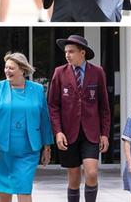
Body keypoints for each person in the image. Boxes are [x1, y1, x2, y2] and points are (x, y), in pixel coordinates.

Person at [0, 52, 53, 201]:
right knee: (4, 190)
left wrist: (47, 147)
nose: (7, 71)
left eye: (11, 68)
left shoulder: (38, 90)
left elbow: (44, 119)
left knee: (24, 189)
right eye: (6, 67)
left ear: (22, 70)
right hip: (1, 149)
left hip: (28, 150)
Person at [47, 35, 110, 202]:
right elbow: (53, 106)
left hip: (91, 133)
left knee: (91, 173)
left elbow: (104, 106)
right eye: (66, 51)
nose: (67, 55)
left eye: (71, 51)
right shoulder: (59, 73)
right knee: (74, 179)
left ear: (82, 53)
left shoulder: (98, 72)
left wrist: (104, 134)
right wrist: (58, 132)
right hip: (68, 133)